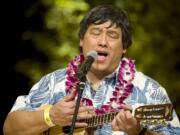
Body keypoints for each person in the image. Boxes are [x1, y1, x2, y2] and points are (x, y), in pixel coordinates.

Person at [3, 4, 180, 135]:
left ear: (124, 46)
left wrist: (141, 132)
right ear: (81, 40)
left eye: (112, 35)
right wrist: (51, 116)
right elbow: (10, 128)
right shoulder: (52, 83)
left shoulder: (150, 90)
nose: (102, 41)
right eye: (96, 32)